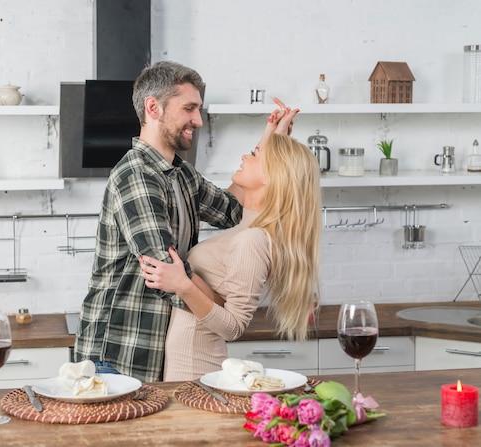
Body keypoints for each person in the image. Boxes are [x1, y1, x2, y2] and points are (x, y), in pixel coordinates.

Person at [74, 60, 298, 382]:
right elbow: (164, 269)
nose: (198, 120)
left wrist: (270, 144)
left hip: (154, 349)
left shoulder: (179, 173)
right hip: (118, 352)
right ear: (154, 108)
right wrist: (224, 309)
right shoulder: (137, 175)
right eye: (189, 109)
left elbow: (233, 208)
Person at [140, 132, 321, 381]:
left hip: (194, 367)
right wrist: (271, 133)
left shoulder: (253, 240)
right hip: (187, 363)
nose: (245, 156)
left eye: (256, 154)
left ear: (271, 176)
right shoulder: (245, 228)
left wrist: (183, 285)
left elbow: (233, 327)